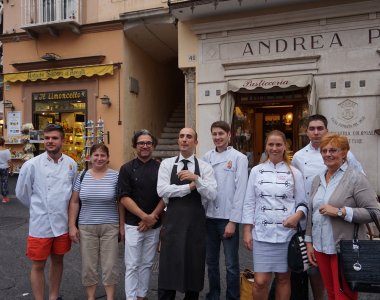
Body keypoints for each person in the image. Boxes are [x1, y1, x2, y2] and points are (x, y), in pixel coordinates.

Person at [291, 114, 363, 300]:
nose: (316, 132)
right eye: (312, 129)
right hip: (311, 221)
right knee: (315, 270)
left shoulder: (347, 155)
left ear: (326, 130)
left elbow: (359, 182)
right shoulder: (299, 157)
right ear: (306, 132)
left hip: (341, 226)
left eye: (320, 128)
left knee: (342, 279)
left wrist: (341, 210)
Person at [305, 133, 380, 300]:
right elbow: (312, 212)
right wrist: (309, 242)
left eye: (333, 150)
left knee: (344, 295)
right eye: (324, 150)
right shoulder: (318, 178)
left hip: (345, 248)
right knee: (331, 293)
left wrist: (341, 212)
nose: (327, 154)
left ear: (345, 152)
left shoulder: (355, 178)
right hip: (320, 246)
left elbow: (375, 212)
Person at [242, 130, 307, 300]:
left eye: (279, 144)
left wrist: (297, 216)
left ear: (285, 146)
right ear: (266, 147)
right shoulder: (256, 171)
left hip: (286, 235)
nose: (275, 148)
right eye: (271, 144)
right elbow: (249, 202)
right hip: (262, 234)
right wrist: (247, 231)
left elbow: (303, 204)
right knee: (260, 281)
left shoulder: (295, 173)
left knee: (284, 278)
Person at [16, 124, 77, 300]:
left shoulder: (71, 165)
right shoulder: (32, 165)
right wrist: (38, 208)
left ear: (63, 141)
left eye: (54, 138)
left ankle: (53, 296)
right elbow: (21, 193)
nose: (50, 141)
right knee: (38, 265)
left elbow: (73, 194)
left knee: (58, 261)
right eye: (47, 138)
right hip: (40, 224)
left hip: (61, 222)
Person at [157, 127, 217, 300]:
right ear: (178, 140)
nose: (184, 139)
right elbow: (162, 191)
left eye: (189, 137)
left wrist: (196, 179)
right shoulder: (167, 164)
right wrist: (189, 187)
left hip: (195, 225)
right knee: (168, 268)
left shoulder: (205, 167)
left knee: (193, 267)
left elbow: (212, 194)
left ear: (195, 142)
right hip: (173, 224)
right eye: (181, 136)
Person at [202, 121, 248, 300]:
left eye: (221, 133)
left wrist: (233, 221)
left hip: (227, 219)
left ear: (229, 135)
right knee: (211, 262)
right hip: (209, 218)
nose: (217, 137)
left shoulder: (239, 158)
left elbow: (241, 192)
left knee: (231, 264)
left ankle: (232, 296)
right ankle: (213, 294)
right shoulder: (206, 157)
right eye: (214, 134)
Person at [68, 144, 120, 300]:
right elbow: (74, 202)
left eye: (103, 155)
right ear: (89, 157)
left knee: (110, 266)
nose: (99, 158)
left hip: (110, 226)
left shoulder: (115, 176)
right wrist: (72, 225)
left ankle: (110, 297)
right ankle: (90, 297)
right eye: (96, 155)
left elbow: (122, 202)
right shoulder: (82, 175)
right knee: (88, 266)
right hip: (86, 227)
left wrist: (122, 226)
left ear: (108, 158)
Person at [118, 129, 165, 300]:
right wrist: (144, 217)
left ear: (153, 146)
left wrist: (152, 217)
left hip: (154, 224)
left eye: (148, 143)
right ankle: (131, 298)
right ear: (134, 146)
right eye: (141, 143)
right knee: (131, 265)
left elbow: (165, 196)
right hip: (133, 225)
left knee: (146, 264)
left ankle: (141, 296)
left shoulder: (161, 168)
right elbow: (123, 197)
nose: (144, 146)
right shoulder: (126, 169)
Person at [0, 137, 12, 203]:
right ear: (3, 143)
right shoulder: (6, 151)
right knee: (4, 182)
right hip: (4, 168)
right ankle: (4, 198)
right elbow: (9, 161)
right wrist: (11, 170)